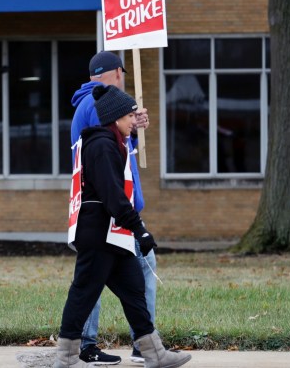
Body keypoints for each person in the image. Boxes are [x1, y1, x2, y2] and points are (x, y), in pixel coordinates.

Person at [55, 85, 191, 368]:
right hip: (97, 234)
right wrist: (139, 228)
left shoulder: (113, 143)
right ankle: (67, 357)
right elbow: (113, 196)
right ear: (115, 117)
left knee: (133, 289)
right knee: (84, 291)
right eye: (130, 115)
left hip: (114, 235)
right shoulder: (102, 146)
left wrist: (132, 228)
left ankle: (153, 353)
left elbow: (117, 196)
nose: (134, 120)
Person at [70, 51, 155, 365]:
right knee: (99, 280)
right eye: (129, 116)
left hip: (108, 212)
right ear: (118, 72)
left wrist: (133, 125)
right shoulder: (97, 104)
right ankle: (139, 346)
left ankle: (93, 344)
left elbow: (117, 149)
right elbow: (106, 163)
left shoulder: (91, 103)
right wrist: (131, 219)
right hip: (111, 214)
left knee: (95, 279)